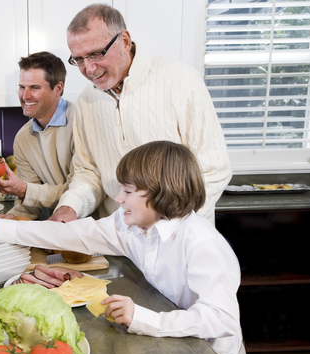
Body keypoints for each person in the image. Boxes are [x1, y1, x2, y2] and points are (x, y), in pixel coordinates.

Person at [0, 141, 249, 354]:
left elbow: (220, 319)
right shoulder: (129, 223)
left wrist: (144, 318)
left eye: (128, 192)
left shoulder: (201, 243)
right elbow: (69, 234)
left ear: (162, 193)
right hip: (175, 340)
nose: (118, 198)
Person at [50, 4, 231, 224]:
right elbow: (89, 172)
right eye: (78, 59)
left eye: (96, 54)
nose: (88, 69)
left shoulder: (182, 81)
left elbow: (214, 170)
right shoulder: (87, 100)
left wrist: (166, 225)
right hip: (121, 238)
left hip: (180, 240)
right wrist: (70, 207)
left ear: (124, 41)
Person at [0, 51, 75, 221]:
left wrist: (24, 189)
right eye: (22, 87)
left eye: (35, 87)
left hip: (92, 227)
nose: (25, 96)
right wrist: (13, 217)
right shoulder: (23, 138)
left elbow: (79, 192)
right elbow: (31, 201)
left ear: (58, 89)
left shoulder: (81, 123)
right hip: (54, 228)